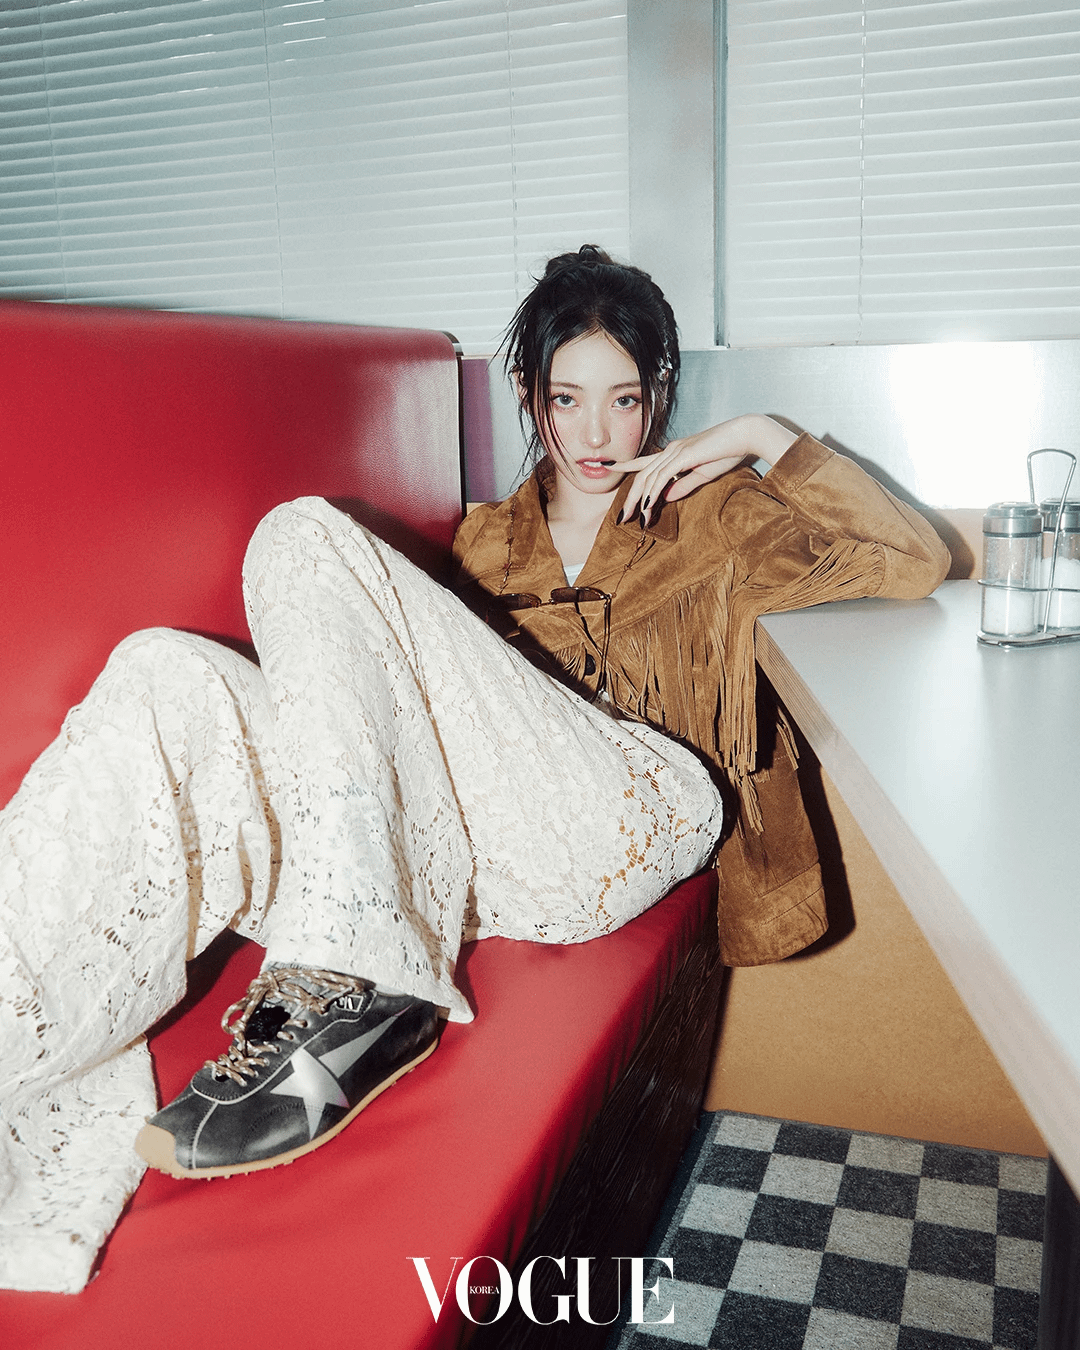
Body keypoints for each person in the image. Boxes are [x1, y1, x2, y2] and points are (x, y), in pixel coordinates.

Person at [0, 245, 949, 1294]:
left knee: (301, 533)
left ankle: (360, 983)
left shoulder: (717, 519)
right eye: (568, 399)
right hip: (497, 862)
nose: (598, 434)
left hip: (644, 813)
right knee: (167, 671)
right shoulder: (488, 544)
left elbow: (911, 560)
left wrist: (762, 436)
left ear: (658, 397)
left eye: (626, 400)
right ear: (530, 398)